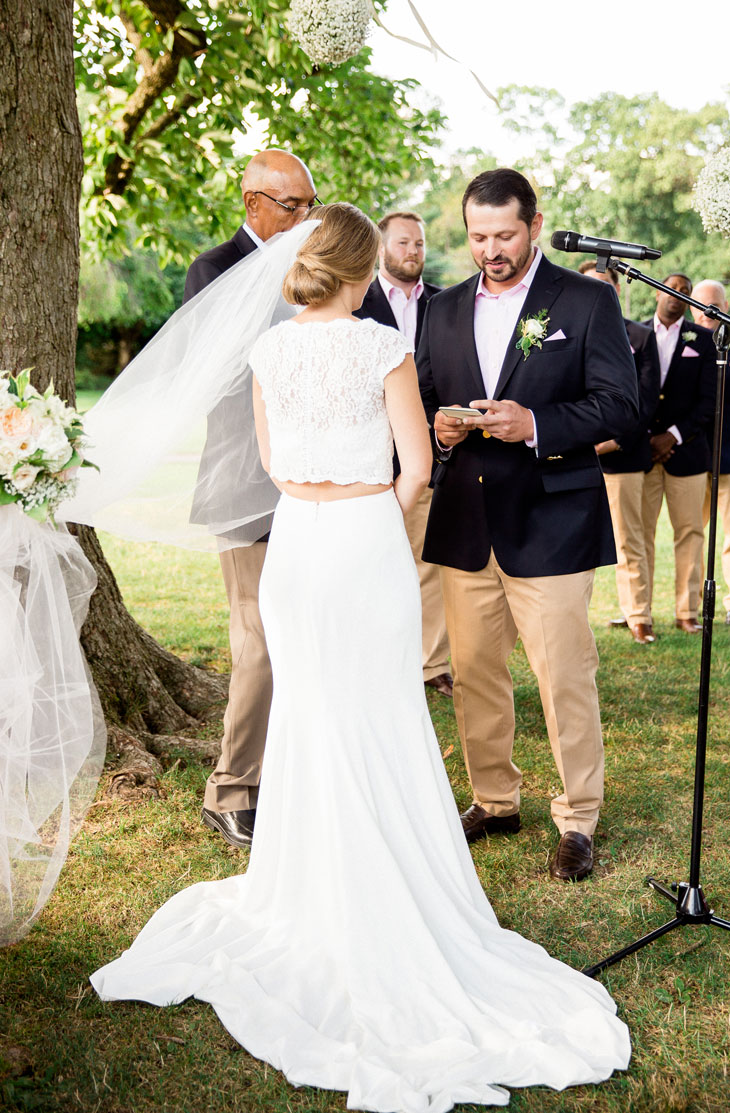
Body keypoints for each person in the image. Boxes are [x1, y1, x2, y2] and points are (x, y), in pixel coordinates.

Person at [89, 204, 630, 1110]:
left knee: (309, 710)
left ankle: (304, 880)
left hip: (297, 541)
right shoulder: (380, 347)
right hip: (363, 538)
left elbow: (267, 458)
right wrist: (381, 506)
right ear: (360, 270)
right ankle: (392, 875)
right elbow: (415, 466)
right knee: (379, 708)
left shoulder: (267, 352)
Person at [417, 169, 639, 882]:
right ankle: (493, 798)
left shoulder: (585, 299)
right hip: (465, 521)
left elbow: (619, 407)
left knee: (563, 676)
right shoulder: (441, 309)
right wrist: (442, 432)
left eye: (504, 234)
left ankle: (577, 816)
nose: (491, 249)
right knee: (475, 672)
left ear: (534, 224)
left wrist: (536, 423)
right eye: (478, 236)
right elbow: (421, 401)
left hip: (551, 519)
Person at [185, 149, 321, 850]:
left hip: (320, 481)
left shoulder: (319, 262)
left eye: (310, 204)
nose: (304, 217)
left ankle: (288, 774)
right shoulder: (211, 270)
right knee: (259, 640)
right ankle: (230, 788)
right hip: (243, 482)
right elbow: (208, 377)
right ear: (252, 204)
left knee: (307, 632)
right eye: (291, 206)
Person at [355, 210, 452, 697]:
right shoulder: (355, 302)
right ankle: (377, 658)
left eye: (419, 244)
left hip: (435, 451)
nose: (412, 252)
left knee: (428, 563)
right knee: (376, 564)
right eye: (402, 244)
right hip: (370, 452)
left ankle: (431, 663)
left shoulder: (446, 303)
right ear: (380, 248)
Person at [578, 261, 660, 645]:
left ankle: (639, 615)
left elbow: (643, 402)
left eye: (605, 285)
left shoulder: (641, 337)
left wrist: (610, 441)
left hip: (622, 457)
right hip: (573, 458)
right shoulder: (564, 331)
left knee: (630, 540)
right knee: (575, 543)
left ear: (615, 289)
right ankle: (575, 620)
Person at [641, 275, 717, 635]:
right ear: (657, 291)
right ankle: (639, 615)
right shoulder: (635, 334)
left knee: (689, 532)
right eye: (673, 289)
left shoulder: (702, 341)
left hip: (686, 452)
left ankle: (687, 612)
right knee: (641, 535)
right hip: (642, 453)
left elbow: (708, 402)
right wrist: (648, 439)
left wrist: (671, 437)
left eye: (686, 293)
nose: (679, 296)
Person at [691, 280, 730, 626]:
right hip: (692, 456)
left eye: (714, 306)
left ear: (725, 305)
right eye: (701, 306)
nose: (707, 313)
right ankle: (688, 607)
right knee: (692, 533)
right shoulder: (686, 342)